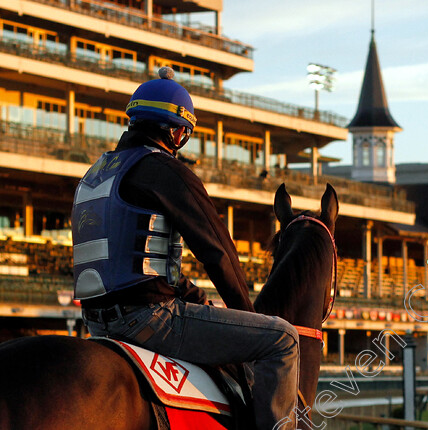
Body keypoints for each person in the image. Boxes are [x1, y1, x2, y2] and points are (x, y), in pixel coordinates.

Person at [72, 67, 298, 430]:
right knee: (283, 339)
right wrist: (249, 313)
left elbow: (135, 257)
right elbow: (217, 253)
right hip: (147, 319)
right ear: (178, 133)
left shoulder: (94, 173)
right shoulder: (164, 170)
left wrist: (193, 294)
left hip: (96, 323)